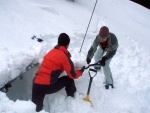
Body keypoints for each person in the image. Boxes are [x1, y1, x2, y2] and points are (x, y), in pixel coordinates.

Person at [32, 33, 85, 112]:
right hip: (48, 86)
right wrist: (80, 72)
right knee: (69, 79)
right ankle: (73, 99)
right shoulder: (64, 56)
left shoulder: (51, 52)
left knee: (36, 110)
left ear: (58, 42)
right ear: (67, 45)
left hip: (36, 84)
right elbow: (72, 75)